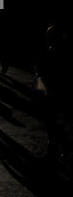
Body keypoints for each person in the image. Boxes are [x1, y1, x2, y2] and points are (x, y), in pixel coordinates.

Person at [36, 25, 70, 163]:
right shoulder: (56, 51)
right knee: (52, 121)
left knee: (52, 121)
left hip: (54, 91)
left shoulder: (54, 52)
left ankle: (57, 149)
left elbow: (45, 72)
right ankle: (57, 148)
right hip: (56, 91)